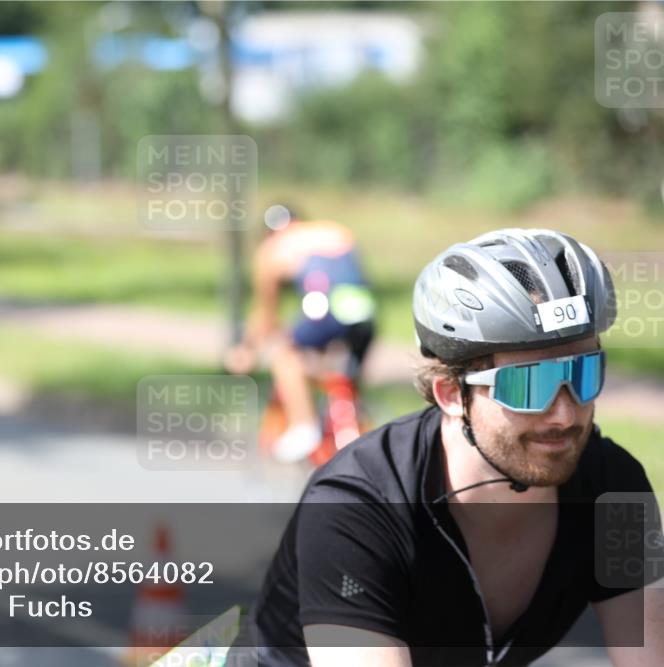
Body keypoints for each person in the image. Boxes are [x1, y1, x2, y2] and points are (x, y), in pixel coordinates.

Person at [231, 228, 663, 666]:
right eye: (531, 385)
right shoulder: (355, 507)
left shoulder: (614, 487)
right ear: (451, 394)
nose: (565, 415)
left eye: (585, 374)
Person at [224, 206, 376, 463]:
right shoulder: (332, 230)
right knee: (342, 378)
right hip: (364, 311)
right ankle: (353, 425)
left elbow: (266, 314)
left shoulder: (273, 249)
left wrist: (247, 348)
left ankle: (303, 425)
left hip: (326, 309)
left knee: (284, 355)